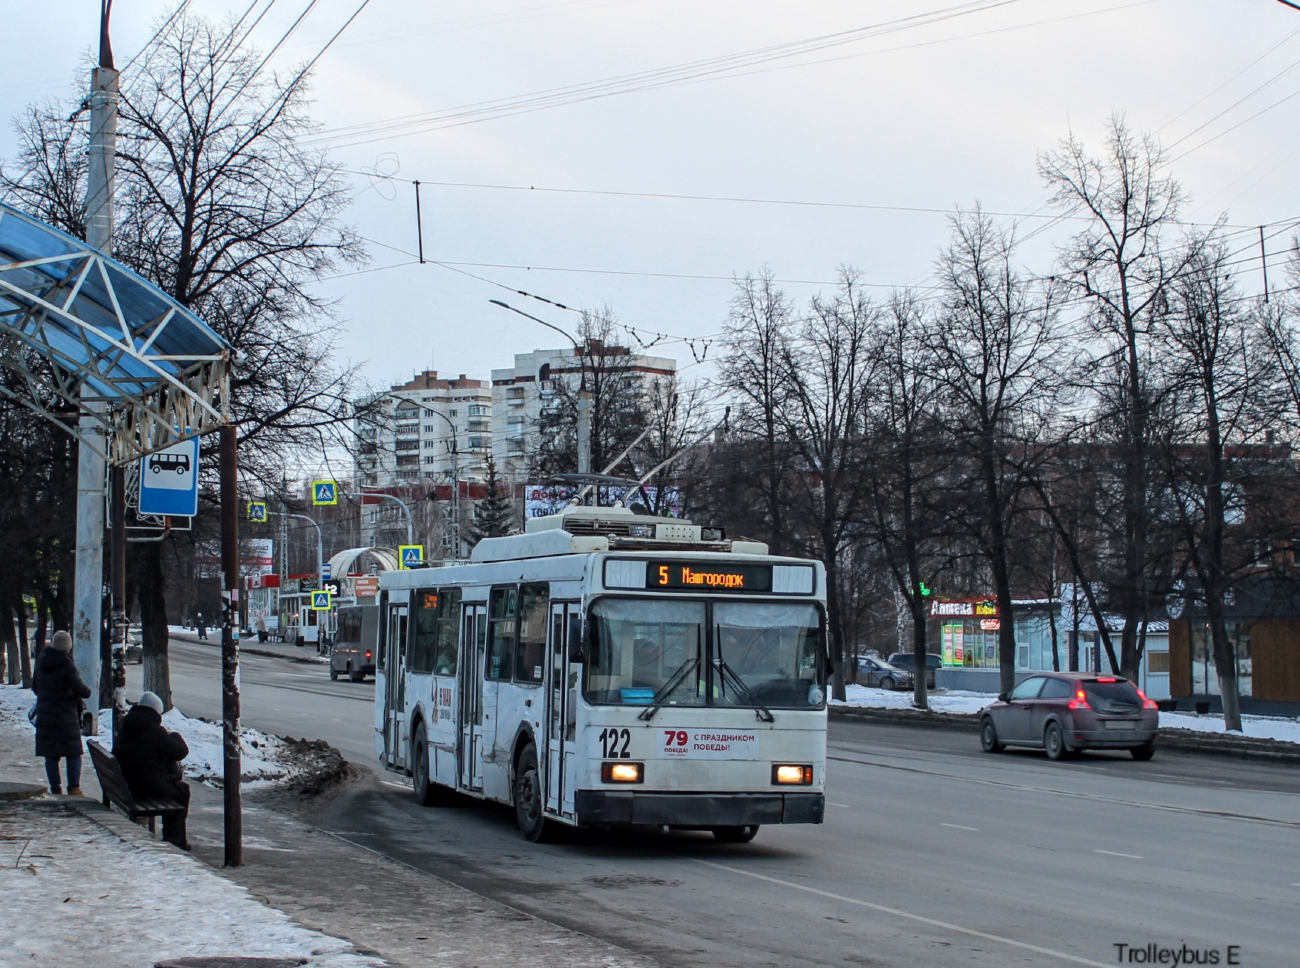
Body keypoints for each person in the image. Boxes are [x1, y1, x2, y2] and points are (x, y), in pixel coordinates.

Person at [114, 691, 191, 850]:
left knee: (174, 788)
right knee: (182, 791)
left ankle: (173, 838)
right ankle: (175, 841)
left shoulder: (127, 725)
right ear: (155, 711)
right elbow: (180, 752)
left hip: (126, 785)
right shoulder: (153, 731)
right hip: (145, 788)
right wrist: (175, 736)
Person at [32, 630, 91, 796]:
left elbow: (35, 687)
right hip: (65, 716)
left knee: (51, 755)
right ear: (68, 646)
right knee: (73, 753)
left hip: (46, 715)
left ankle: (55, 789)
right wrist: (87, 692)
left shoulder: (41, 662)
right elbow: (80, 689)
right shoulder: (67, 664)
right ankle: (73, 788)